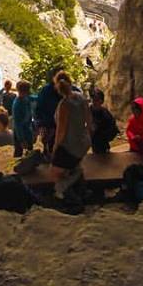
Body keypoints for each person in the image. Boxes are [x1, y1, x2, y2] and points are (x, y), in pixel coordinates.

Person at [50, 71, 92, 201]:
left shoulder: (64, 105)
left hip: (70, 144)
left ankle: (62, 192)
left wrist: (55, 148)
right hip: (83, 141)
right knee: (72, 166)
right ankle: (79, 185)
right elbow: (89, 121)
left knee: (54, 172)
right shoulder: (81, 97)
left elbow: (61, 131)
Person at [34, 67, 66, 153]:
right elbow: (39, 108)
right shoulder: (46, 91)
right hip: (49, 125)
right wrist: (41, 124)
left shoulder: (69, 91)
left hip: (64, 127)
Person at [89, 90, 119, 155]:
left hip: (102, 141)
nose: (94, 101)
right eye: (93, 98)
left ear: (101, 101)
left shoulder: (105, 114)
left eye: (97, 99)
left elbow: (113, 128)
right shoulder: (89, 110)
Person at [12, 80, 35, 157]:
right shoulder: (17, 105)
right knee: (19, 153)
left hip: (27, 129)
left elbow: (33, 98)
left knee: (29, 151)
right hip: (20, 132)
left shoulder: (26, 98)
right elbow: (17, 124)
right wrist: (21, 140)